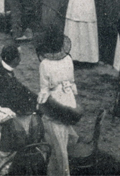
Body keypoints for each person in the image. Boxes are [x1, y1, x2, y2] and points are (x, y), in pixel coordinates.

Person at [35, 25, 79, 176]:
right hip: (69, 100)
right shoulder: (69, 59)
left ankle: (62, 172)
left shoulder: (45, 64)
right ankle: (52, 171)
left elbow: (44, 90)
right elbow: (72, 82)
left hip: (56, 104)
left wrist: (40, 105)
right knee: (59, 140)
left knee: (59, 146)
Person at [0, 44, 37, 114]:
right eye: (20, 55)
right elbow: (13, 100)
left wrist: (34, 96)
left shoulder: (1, 66)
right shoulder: (2, 77)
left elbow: (18, 86)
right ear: (16, 59)